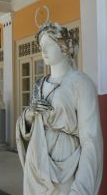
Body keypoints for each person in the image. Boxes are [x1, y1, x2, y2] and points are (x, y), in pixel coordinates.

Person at [16, 22, 103, 195]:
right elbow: (27, 126)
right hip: (36, 159)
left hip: (65, 162)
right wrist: (29, 115)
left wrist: (81, 189)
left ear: (64, 46)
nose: (43, 51)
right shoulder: (39, 85)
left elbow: (90, 140)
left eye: (48, 45)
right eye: (41, 46)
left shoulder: (81, 83)